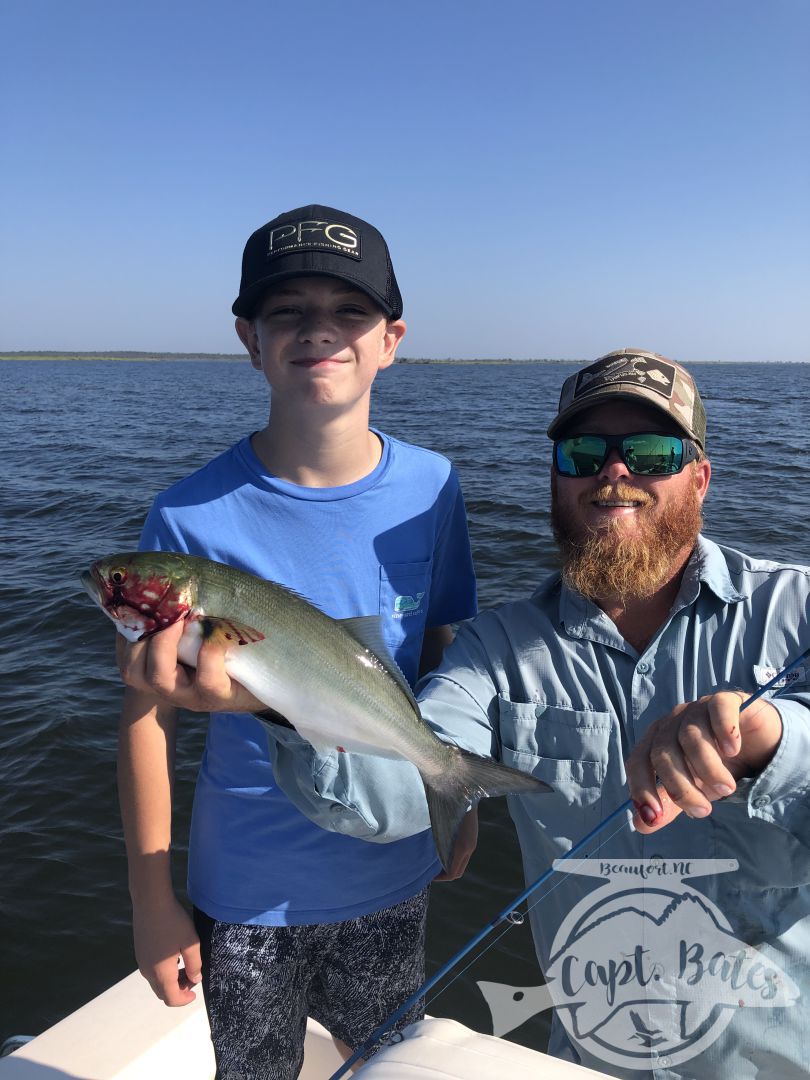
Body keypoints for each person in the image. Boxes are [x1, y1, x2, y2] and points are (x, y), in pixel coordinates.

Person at [115, 203, 477, 1080]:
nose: (320, 331)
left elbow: (445, 655)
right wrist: (151, 900)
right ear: (249, 338)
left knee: (386, 1062)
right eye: (288, 312)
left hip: (390, 864)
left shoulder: (434, 488)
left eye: (349, 311)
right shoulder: (188, 516)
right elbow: (145, 720)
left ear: (391, 338)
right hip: (244, 889)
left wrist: (451, 785)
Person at [415, 349, 810, 1078]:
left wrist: (774, 738)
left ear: (701, 477)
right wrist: (278, 692)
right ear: (557, 478)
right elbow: (396, 778)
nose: (614, 473)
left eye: (652, 452)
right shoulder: (493, 649)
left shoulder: (798, 612)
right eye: (584, 452)